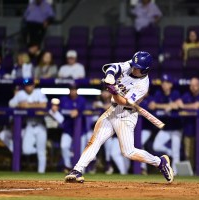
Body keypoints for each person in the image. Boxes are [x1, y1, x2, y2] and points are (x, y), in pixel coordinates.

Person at [65, 51, 174, 183]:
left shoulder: (142, 86)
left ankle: (159, 162)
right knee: (95, 140)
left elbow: (122, 101)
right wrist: (110, 77)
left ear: (145, 70)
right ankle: (77, 170)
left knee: (128, 152)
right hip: (112, 111)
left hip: (126, 115)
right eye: (133, 65)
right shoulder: (131, 64)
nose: (134, 68)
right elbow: (112, 67)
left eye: (137, 68)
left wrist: (113, 91)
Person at [9, 78, 48, 173]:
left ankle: (41, 173)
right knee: (26, 150)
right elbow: (10, 104)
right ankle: (41, 152)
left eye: (29, 85)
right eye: (26, 85)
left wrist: (28, 105)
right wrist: (19, 104)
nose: (28, 87)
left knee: (41, 152)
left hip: (40, 125)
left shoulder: (38, 92)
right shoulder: (21, 94)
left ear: (33, 85)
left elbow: (44, 105)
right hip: (29, 125)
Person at [149, 74, 182, 174]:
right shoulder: (159, 93)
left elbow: (178, 105)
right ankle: (169, 153)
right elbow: (152, 106)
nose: (164, 84)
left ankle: (175, 173)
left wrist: (172, 106)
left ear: (171, 84)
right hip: (165, 128)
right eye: (163, 82)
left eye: (167, 82)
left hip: (176, 127)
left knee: (176, 154)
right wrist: (167, 106)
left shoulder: (175, 93)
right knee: (156, 146)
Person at [176, 77, 199, 168]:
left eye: (195, 85)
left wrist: (182, 106)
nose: (193, 87)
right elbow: (176, 103)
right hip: (188, 129)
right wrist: (176, 105)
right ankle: (190, 178)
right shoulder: (187, 95)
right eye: (191, 85)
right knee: (188, 154)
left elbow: (196, 106)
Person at [59, 84, 86, 171]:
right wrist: (71, 111)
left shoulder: (81, 99)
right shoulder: (64, 99)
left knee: (82, 151)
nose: (73, 91)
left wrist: (77, 111)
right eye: (71, 89)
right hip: (68, 129)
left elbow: (81, 108)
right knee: (64, 146)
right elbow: (61, 110)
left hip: (80, 130)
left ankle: (81, 170)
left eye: (74, 89)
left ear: (77, 90)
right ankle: (67, 165)